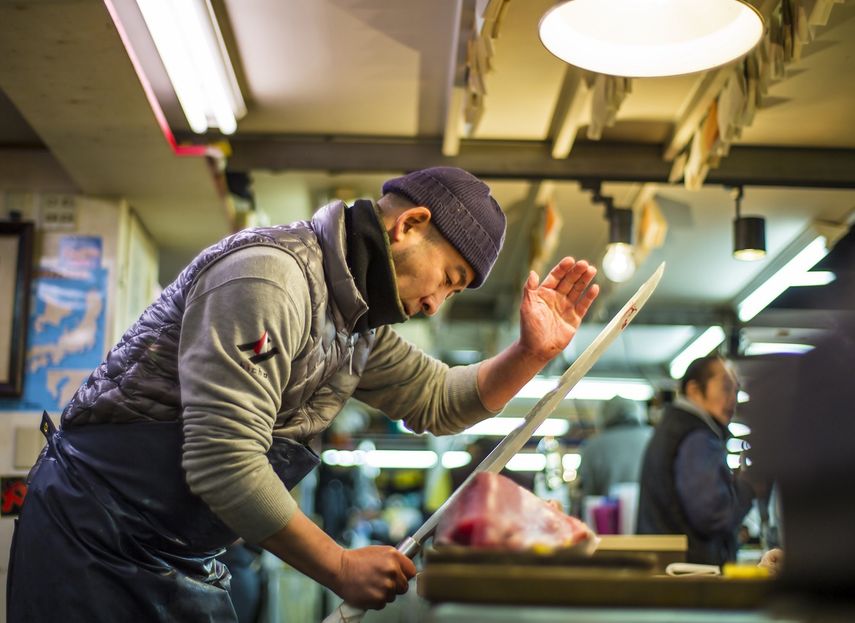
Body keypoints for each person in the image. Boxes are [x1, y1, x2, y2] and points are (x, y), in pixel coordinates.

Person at [7, 166, 600, 622]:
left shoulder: (355, 324)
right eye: (448, 280)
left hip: (176, 550)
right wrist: (339, 565)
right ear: (410, 225)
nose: (435, 304)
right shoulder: (272, 278)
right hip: (92, 541)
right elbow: (223, 460)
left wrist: (531, 354)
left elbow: (440, 401)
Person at [637, 355, 758, 566]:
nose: (733, 399)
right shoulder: (697, 437)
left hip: (672, 570)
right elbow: (713, 515)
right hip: (692, 574)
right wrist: (748, 487)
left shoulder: (675, 427)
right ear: (693, 390)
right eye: (726, 388)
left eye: (736, 390)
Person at [578, 396, 652, 498]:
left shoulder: (594, 446)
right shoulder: (653, 438)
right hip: (650, 511)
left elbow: (588, 492)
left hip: (607, 513)